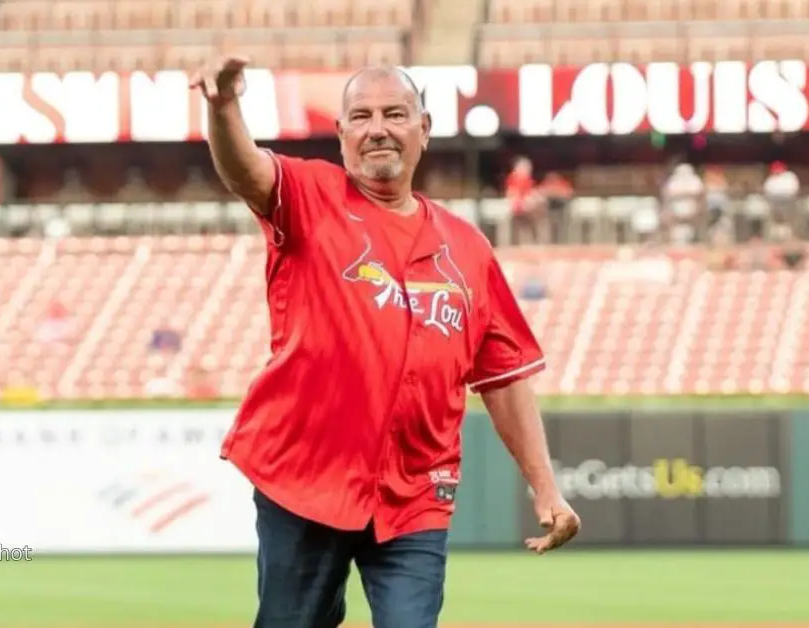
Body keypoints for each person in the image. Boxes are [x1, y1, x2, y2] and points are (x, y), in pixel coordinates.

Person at [191, 57, 580, 628]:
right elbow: (247, 171)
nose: (378, 127)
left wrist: (546, 489)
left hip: (415, 491)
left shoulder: (467, 249)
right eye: (362, 116)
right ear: (342, 134)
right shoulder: (309, 195)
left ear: (423, 129)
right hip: (306, 478)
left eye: (395, 114)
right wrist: (223, 108)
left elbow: (503, 377)